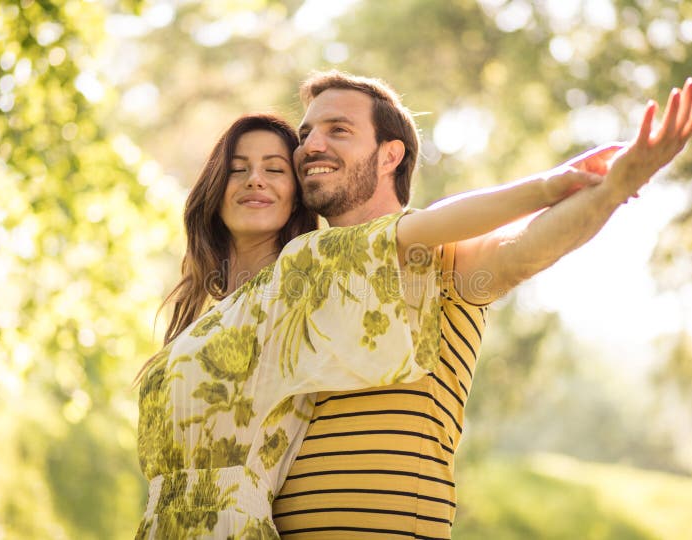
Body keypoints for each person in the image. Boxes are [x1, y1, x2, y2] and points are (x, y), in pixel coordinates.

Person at [134, 111, 612, 538]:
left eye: (275, 170)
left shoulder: (307, 269)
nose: (254, 180)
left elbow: (423, 227)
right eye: (237, 169)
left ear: (295, 199)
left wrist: (552, 186)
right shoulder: (202, 318)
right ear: (214, 188)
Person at [272, 72, 692, 539]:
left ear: (389, 155)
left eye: (338, 129)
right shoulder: (295, 273)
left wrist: (615, 188)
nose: (310, 146)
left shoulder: (439, 256)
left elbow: (528, 246)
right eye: (305, 134)